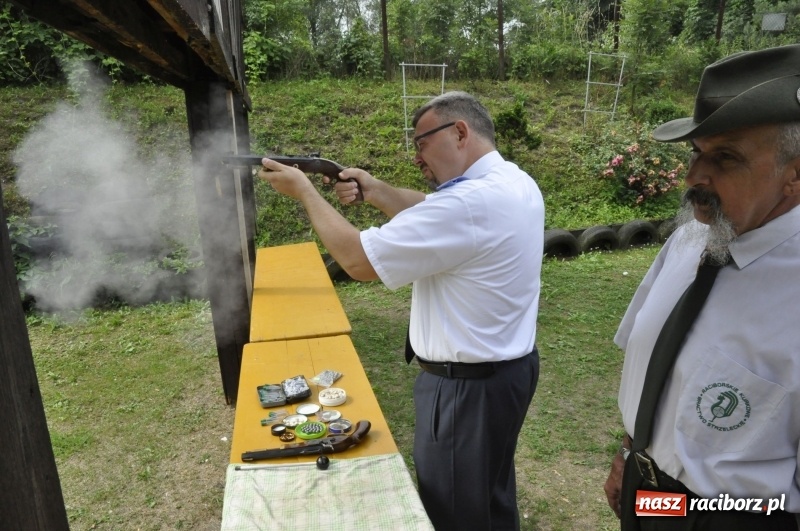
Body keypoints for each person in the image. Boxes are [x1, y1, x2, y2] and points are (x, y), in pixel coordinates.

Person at [257, 91, 543, 530]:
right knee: (490, 496)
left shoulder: (468, 204)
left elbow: (357, 260)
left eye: (421, 143)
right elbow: (432, 211)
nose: (417, 157)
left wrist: (305, 192)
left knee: (453, 512)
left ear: (459, 132)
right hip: (506, 375)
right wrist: (376, 191)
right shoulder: (512, 181)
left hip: (465, 390)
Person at [604, 44, 800, 530]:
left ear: (794, 174)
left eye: (726, 158)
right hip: (647, 493)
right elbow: (654, 363)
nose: (693, 177)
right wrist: (631, 452)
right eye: (696, 153)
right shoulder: (691, 238)